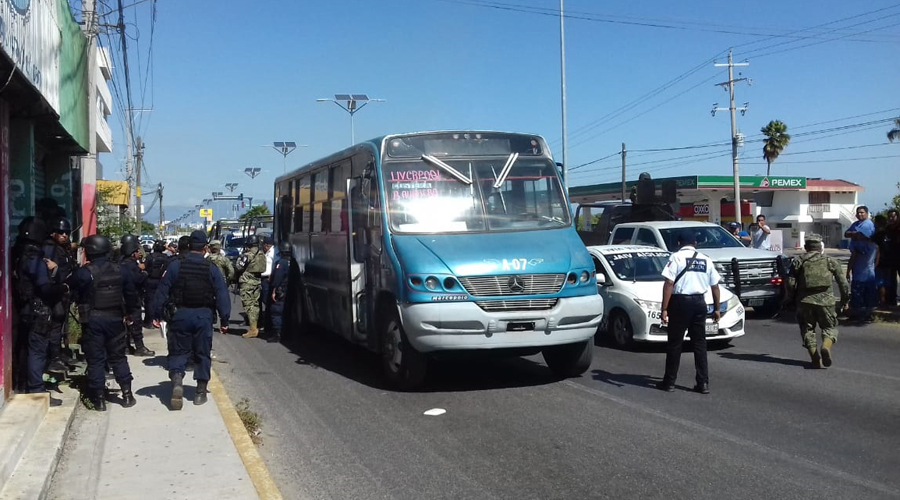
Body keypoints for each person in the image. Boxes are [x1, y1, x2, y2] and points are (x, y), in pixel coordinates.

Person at [151, 230, 231, 409]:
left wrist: (156, 314)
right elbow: (222, 295)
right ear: (205, 248)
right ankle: (200, 392)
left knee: (178, 351)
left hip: (180, 315)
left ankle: (177, 380)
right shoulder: (212, 269)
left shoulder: (175, 266)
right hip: (203, 316)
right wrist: (225, 320)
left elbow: (162, 291)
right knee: (202, 353)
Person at [70, 235, 140, 410]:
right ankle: (127, 395)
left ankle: (99, 400)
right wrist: (131, 313)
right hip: (115, 319)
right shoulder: (121, 270)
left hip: (93, 321)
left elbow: (72, 290)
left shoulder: (85, 272)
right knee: (118, 357)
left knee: (95, 360)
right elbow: (131, 294)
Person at [657, 229, 721, 394]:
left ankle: (669, 382)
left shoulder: (676, 257)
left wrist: (664, 308)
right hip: (700, 302)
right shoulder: (706, 259)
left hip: (680, 303)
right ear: (695, 244)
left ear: (679, 243)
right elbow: (715, 286)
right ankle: (703, 383)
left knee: (675, 343)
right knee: (700, 344)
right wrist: (717, 309)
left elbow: (669, 284)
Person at [13, 218, 69, 393]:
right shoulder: (34, 258)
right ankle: (36, 388)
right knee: (37, 350)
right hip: (37, 310)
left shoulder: (16, 253)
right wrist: (63, 287)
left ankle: (23, 384)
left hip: (22, 309)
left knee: (24, 349)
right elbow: (45, 289)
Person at [785, 234, 850, 368]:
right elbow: (843, 283)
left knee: (807, 329)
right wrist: (844, 300)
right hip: (826, 301)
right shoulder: (830, 261)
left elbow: (790, 283)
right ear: (820, 248)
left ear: (805, 247)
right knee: (829, 327)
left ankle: (815, 357)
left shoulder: (798, 261)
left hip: (804, 301)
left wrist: (789, 299)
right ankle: (826, 346)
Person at [43, 217, 76, 372]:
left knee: (61, 326)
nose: (64, 235)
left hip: (63, 293)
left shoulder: (63, 248)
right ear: (53, 233)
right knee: (55, 326)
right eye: (61, 232)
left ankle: (59, 353)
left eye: (67, 233)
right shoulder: (49, 248)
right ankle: (53, 358)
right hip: (54, 294)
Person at [119, 234, 154, 356]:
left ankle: (127, 346)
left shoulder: (121, 262)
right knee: (135, 324)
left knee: (126, 325)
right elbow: (137, 279)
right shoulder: (131, 265)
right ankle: (140, 347)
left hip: (123, 298)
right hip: (132, 298)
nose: (139, 253)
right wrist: (144, 274)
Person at [846, 214, 879, 323]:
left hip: (859, 274)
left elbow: (853, 259)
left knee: (857, 295)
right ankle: (869, 315)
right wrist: (872, 268)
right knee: (869, 295)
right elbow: (877, 260)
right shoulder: (875, 246)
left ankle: (858, 315)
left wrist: (848, 270)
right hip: (870, 274)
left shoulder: (858, 246)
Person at [238, 235, 267, 339]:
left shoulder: (247, 255)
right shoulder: (262, 254)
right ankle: (256, 326)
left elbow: (239, 266)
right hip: (257, 281)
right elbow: (263, 268)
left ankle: (253, 329)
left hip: (247, 283)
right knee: (255, 305)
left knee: (249, 306)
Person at [267, 241, 291, 343]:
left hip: (281, 290)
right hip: (289, 290)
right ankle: (285, 333)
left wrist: (273, 290)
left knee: (276, 311)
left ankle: (278, 334)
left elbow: (277, 278)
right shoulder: (292, 262)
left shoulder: (281, 263)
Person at [144, 241, 169, 327]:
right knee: (160, 300)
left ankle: (149, 321)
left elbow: (145, 267)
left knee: (149, 301)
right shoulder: (165, 257)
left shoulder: (150, 257)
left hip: (150, 280)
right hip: (161, 280)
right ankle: (159, 319)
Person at [883, 209, 900, 308]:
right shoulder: (888, 229)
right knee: (891, 280)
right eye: (889, 216)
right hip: (891, 258)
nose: (891, 218)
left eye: (893, 216)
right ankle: (892, 299)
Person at [259, 236, 275, 333]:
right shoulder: (268, 252)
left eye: (264, 245)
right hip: (264, 278)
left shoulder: (273, 252)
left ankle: (270, 325)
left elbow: (275, 264)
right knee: (265, 300)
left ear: (267, 245)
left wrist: (272, 274)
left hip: (268, 278)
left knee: (267, 301)